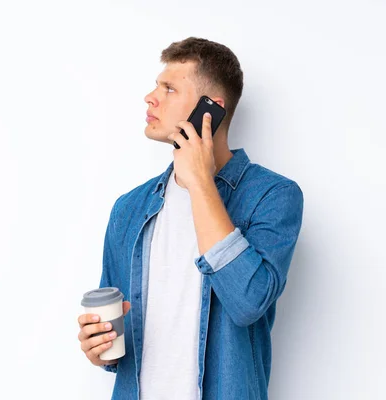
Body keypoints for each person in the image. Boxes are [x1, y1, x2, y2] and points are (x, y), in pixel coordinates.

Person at [77, 37, 304, 400]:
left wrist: (199, 181)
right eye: (156, 86)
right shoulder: (129, 208)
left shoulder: (272, 196)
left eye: (169, 89)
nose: (150, 98)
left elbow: (248, 303)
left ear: (209, 110)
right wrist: (98, 346)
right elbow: (117, 341)